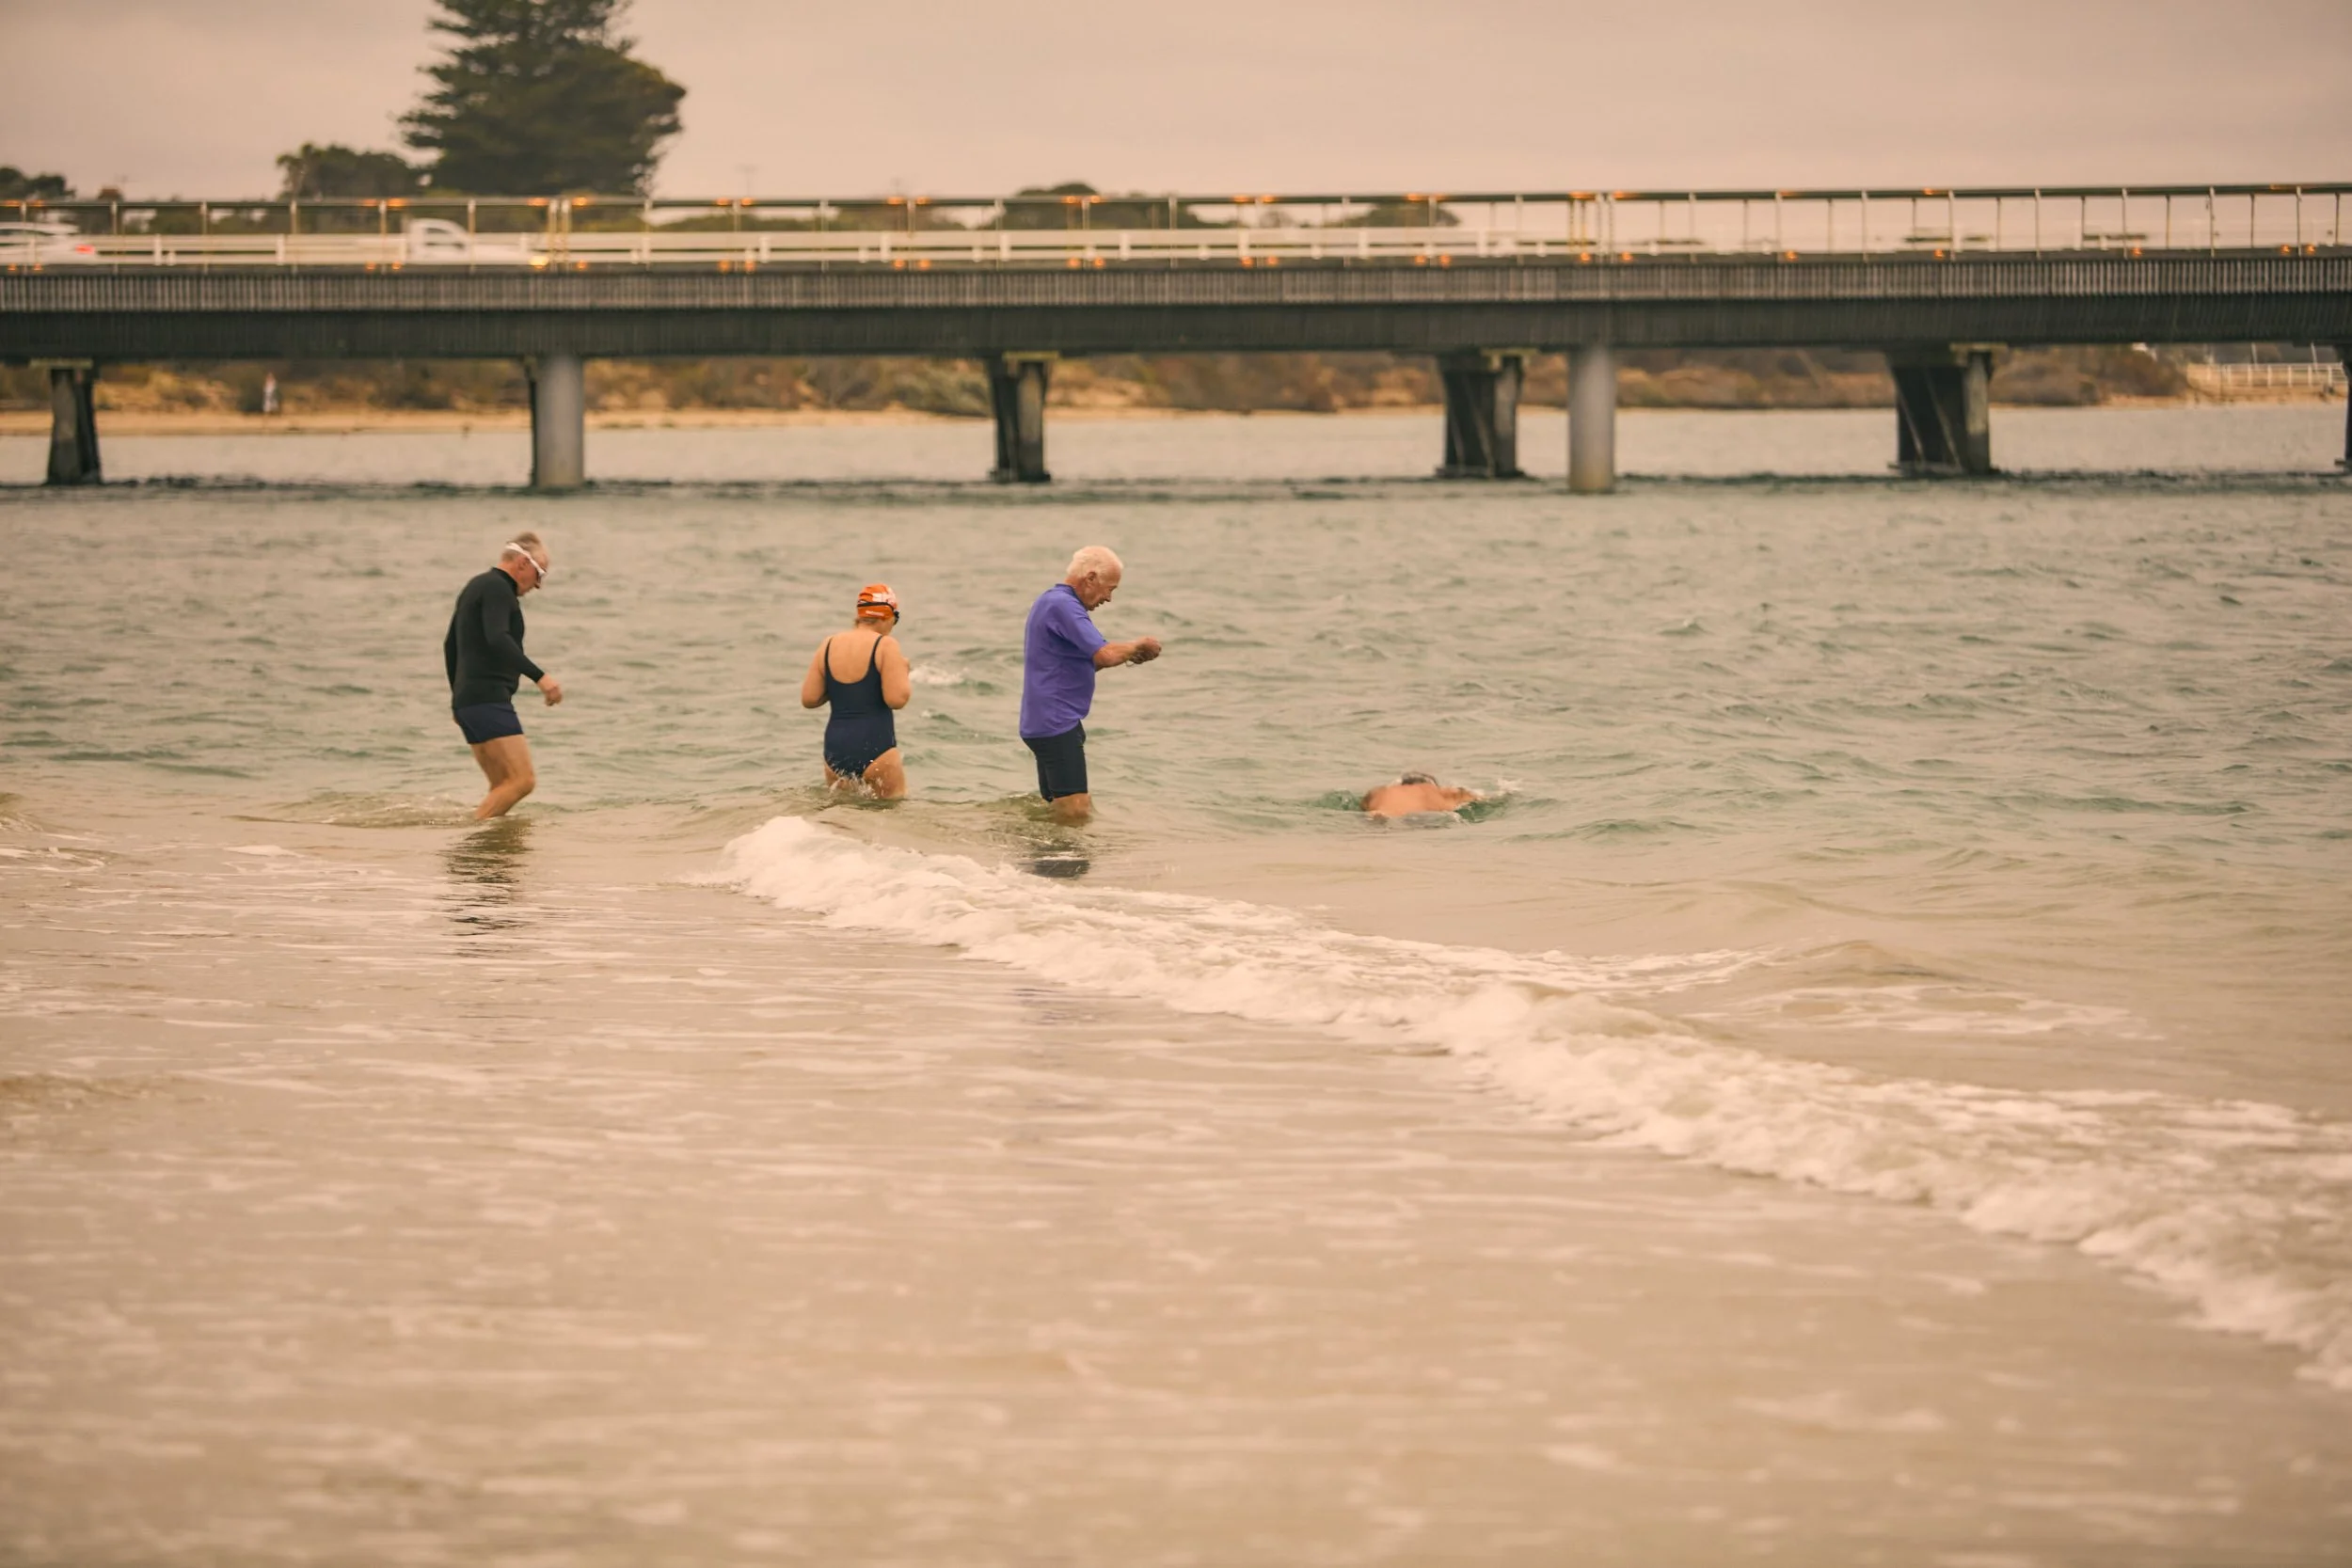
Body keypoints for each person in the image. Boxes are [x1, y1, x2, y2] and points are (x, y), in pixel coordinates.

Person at [1019, 546, 1162, 824]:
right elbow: (1105, 654)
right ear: (1091, 578)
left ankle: (1042, 863)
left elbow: (1082, 664)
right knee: (1076, 810)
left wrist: (1131, 654)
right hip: (1055, 722)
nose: (1108, 598)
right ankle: (1067, 865)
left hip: (1046, 721)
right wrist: (1138, 645)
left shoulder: (1054, 601)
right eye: (1110, 589)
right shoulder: (1063, 604)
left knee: (1059, 808)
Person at [444, 533, 563, 820]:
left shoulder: (478, 586)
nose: (538, 585)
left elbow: (450, 645)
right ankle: (469, 839)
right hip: (487, 699)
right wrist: (540, 677)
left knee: (501, 786)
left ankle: (487, 860)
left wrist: (457, 698)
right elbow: (498, 639)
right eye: (539, 573)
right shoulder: (497, 588)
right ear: (523, 562)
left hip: (471, 701)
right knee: (522, 781)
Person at [799, 583, 911, 798]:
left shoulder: (829, 644)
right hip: (876, 747)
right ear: (888, 615)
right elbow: (897, 699)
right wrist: (902, 671)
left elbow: (809, 699)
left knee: (842, 821)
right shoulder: (886, 645)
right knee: (895, 818)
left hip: (836, 750)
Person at [1361, 772, 1482, 818]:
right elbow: (1475, 798)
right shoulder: (1439, 792)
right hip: (1423, 820)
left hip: (1381, 816)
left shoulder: (1383, 791)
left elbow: (1365, 803)